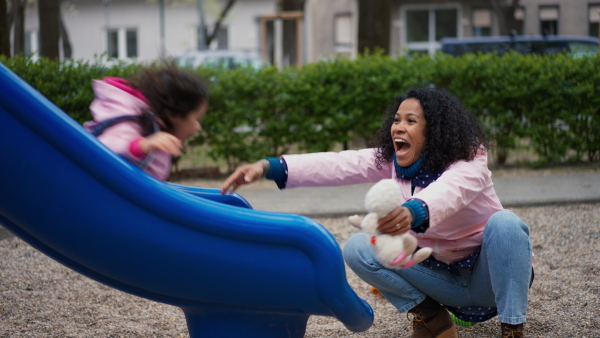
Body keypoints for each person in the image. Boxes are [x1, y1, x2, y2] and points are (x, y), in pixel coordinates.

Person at [220, 86, 533, 338]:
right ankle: (432, 318)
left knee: (506, 224)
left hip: (489, 279)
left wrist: (415, 211)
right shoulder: (392, 160)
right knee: (358, 247)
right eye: (397, 119)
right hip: (439, 278)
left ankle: (512, 327)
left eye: (411, 121)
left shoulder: (470, 158)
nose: (399, 126)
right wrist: (267, 166)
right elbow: (338, 164)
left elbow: (452, 189)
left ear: (435, 131)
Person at [84, 63, 209, 181]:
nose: (198, 127)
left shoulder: (154, 125)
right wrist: (141, 146)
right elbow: (107, 146)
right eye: (196, 119)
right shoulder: (129, 120)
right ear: (174, 115)